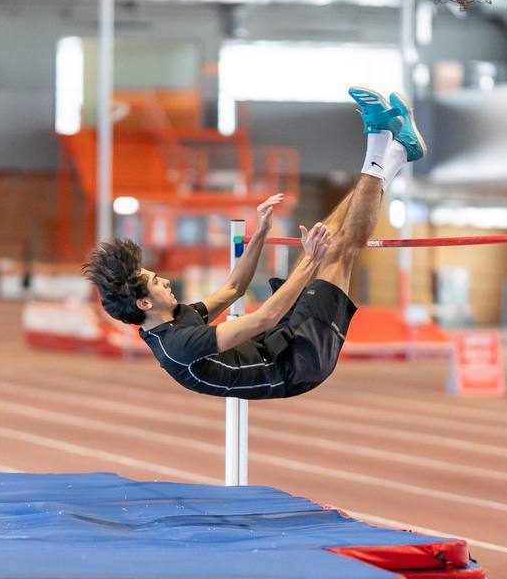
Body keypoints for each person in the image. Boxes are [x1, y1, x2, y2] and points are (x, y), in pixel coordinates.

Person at [83, 86, 425, 399]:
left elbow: (234, 288)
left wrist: (260, 231)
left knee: (326, 234)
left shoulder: (172, 318)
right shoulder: (179, 345)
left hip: (278, 340)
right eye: (156, 282)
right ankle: (380, 139)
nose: (166, 282)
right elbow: (264, 317)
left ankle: (398, 152)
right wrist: (309, 261)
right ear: (144, 303)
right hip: (299, 363)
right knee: (338, 249)